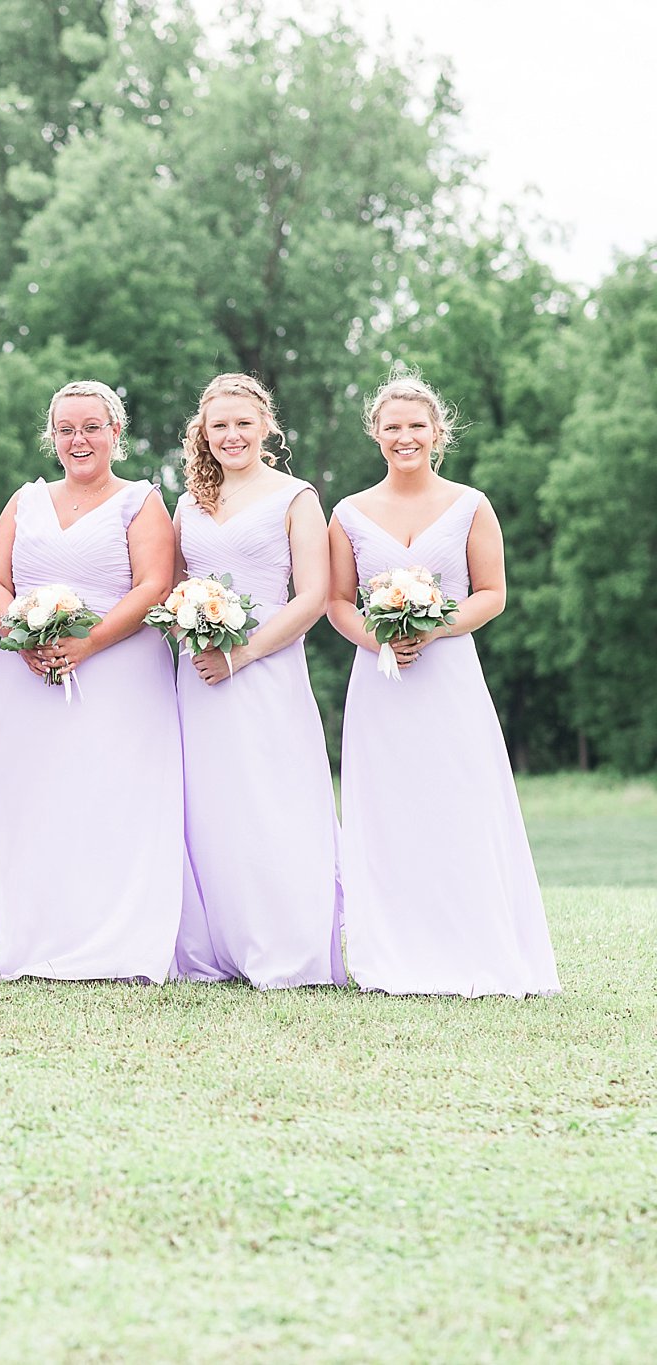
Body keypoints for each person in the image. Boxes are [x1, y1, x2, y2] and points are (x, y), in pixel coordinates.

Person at [326, 370, 558, 997]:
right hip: (380, 683)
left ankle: (474, 947)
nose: (405, 437)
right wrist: (382, 640)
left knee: (459, 799)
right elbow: (338, 603)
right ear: (376, 434)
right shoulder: (347, 512)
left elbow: (493, 593)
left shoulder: (470, 504)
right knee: (389, 807)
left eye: (416, 426)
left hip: (449, 675)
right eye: (392, 427)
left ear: (437, 432)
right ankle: (395, 952)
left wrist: (433, 630)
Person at [0, 380, 180, 983]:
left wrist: (87, 642)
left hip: (118, 677)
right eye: (67, 429)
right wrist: (21, 635)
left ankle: (110, 938)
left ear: (116, 432)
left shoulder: (141, 500)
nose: (79, 439)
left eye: (91, 427)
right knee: (25, 798)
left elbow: (153, 584)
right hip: (23, 675)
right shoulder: (25, 499)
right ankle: (30, 932)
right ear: (52, 436)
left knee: (107, 798)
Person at [170, 374, 344, 989]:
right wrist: (191, 630)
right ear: (203, 432)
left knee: (269, 798)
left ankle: (284, 948)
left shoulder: (296, 497)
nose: (231, 435)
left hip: (266, 667)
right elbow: (170, 585)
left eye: (243, 423)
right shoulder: (188, 503)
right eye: (219, 425)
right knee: (207, 803)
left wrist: (240, 656)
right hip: (197, 671)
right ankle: (214, 946)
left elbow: (315, 596)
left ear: (266, 425)